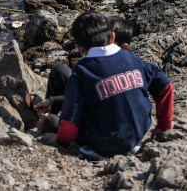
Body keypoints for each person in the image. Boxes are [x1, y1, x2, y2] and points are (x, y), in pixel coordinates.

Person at [54, 12, 175, 158]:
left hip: (100, 146)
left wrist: (60, 143)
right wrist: (164, 124)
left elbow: (70, 122)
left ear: (79, 47)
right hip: (136, 138)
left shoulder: (82, 70)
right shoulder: (133, 58)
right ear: (112, 37)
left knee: (51, 121)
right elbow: (165, 87)